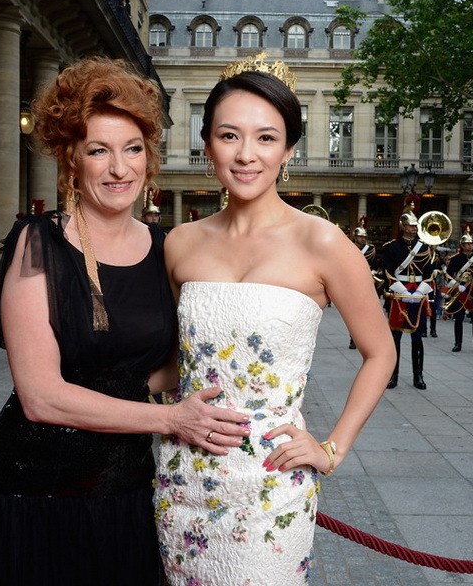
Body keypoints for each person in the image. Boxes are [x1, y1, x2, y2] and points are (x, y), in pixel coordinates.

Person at [0, 57, 250, 585]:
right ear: (71, 158)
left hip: (127, 490)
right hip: (36, 493)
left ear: (150, 156)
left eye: (133, 149)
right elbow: (40, 396)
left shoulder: (167, 249)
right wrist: (170, 418)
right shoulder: (38, 241)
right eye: (99, 150)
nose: (120, 168)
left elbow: (173, 362)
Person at [154, 54, 394, 585]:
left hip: (271, 479)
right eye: (228, 135)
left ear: (288, 150)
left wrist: (332, 448)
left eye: (266, 138)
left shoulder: (324, 242)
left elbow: (381, 353)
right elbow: (175, 365)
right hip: (183, 473)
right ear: (207, 143)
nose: (245, 155)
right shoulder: (180, 243)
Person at [380, 207, 438, 389]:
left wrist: (421, 292)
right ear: (403, 227)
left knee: (417, 339)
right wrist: (400, 291)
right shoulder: (391, 247)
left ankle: (418, 376)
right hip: (399, 294)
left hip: (418, 294)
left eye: (416, 226)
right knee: (395, 338)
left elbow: (430, 273)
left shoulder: (425, 247)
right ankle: (393, 376)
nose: (414, 229)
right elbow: (387, 271)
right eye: (411, 226)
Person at [444, 228, 473, 353]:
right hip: (460, 290)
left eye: (471, 244)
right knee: (459, 317)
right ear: (462, 245)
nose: (470, 246)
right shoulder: (455, 258)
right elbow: (447, 274)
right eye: (467, 244)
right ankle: (458, 343)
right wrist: (456, 285)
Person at [347, 223, 376, 350]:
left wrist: (373, 272)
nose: (363, 239)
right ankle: (353, 338)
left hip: (366, 282)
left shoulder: (370, 249)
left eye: (364, 237)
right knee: (353, 313)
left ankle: (364, 338)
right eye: (360, 237)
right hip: (352, 283)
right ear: (355, 237)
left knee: (366, 312)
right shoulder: (348, 248)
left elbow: (374, 264)